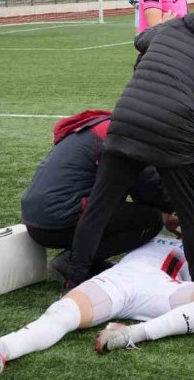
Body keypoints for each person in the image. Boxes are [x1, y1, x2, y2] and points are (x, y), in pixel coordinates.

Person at [64, 0, 194, 290]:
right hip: (174, 131)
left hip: (127, 120)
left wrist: (164, 23)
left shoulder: (175, 26)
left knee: (99, 208)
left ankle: (73, 282)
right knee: (190, 213)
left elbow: (141, 39)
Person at [0, 234, 194, 375]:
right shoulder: (149, 228)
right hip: (119, 280)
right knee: (62, 313)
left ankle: (132, 334)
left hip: (163, 290)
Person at [21, 110, 165, 281]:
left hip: (36, 220)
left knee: (127, 207)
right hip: (58, 222)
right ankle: (72, 262)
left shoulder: (103, 127)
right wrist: (174, 209)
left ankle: (87, 263)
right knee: (150, 220)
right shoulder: (125, 139)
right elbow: (149, 189)